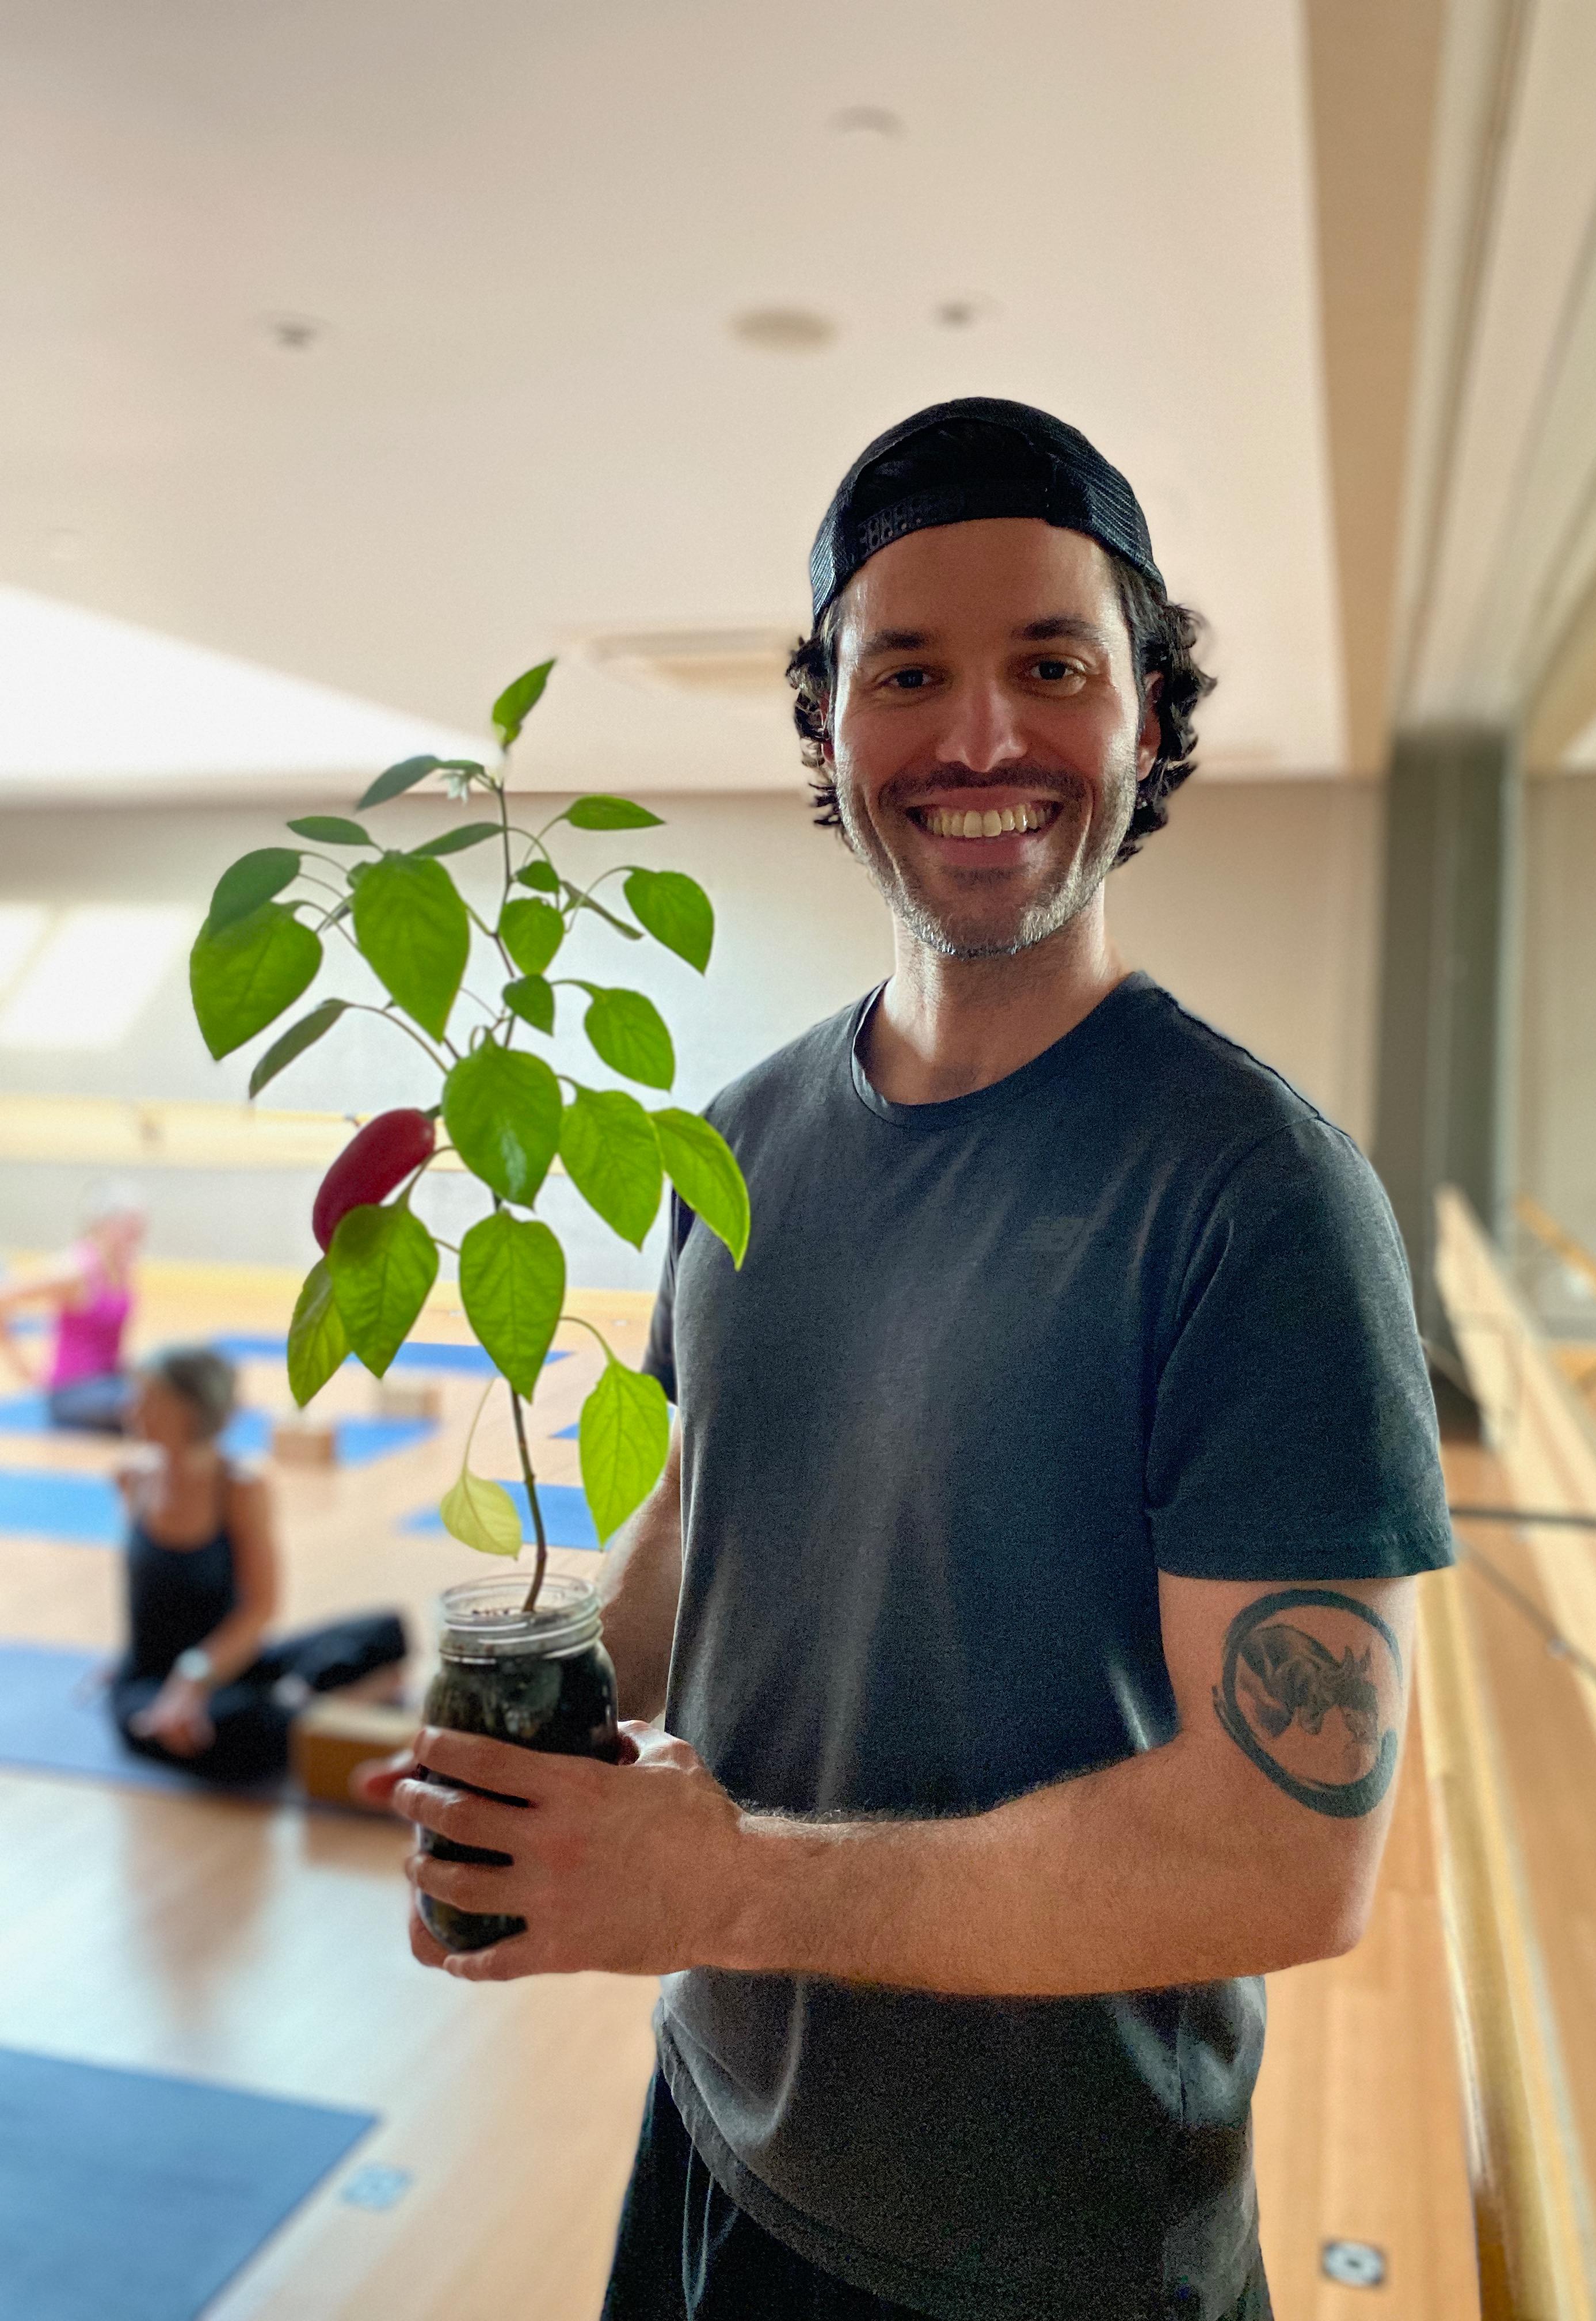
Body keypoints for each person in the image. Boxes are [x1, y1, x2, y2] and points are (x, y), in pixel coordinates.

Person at [375, 399, 1456, 2321]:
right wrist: (546, 1714)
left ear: (1146, 715)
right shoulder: (738, 1141)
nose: (978, 739)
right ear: (825, 725)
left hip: (1045, 2259)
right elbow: (712, 1520)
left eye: (1051, 664)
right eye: (907, 673)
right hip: (718, 2139)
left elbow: (1288, 1860)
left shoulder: (1256, 1199)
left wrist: (720, 1888)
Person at [113, 1344, 406, 1786]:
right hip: (151, 1682)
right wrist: (169, 1683)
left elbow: (260, 1610)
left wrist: (195, 1679)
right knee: (234, 1732)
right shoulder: (131, 1479)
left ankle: (307, 1709)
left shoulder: (239, 1488)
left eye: (148, 1398)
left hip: (229, 1661)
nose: (130, 1409)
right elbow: (146, 1591)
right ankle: (326, 1709)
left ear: (191, 1410)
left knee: (388, 1629)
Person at [0, 1179, 146, 1432]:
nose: (138, 1233)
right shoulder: (74, 1269)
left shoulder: (123, 1265)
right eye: (129, 1225)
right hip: (72, 1392)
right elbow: (5, 1295)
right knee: (148, 1412)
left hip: (111, 1381)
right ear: (104, 1224)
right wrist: (21, 1367)